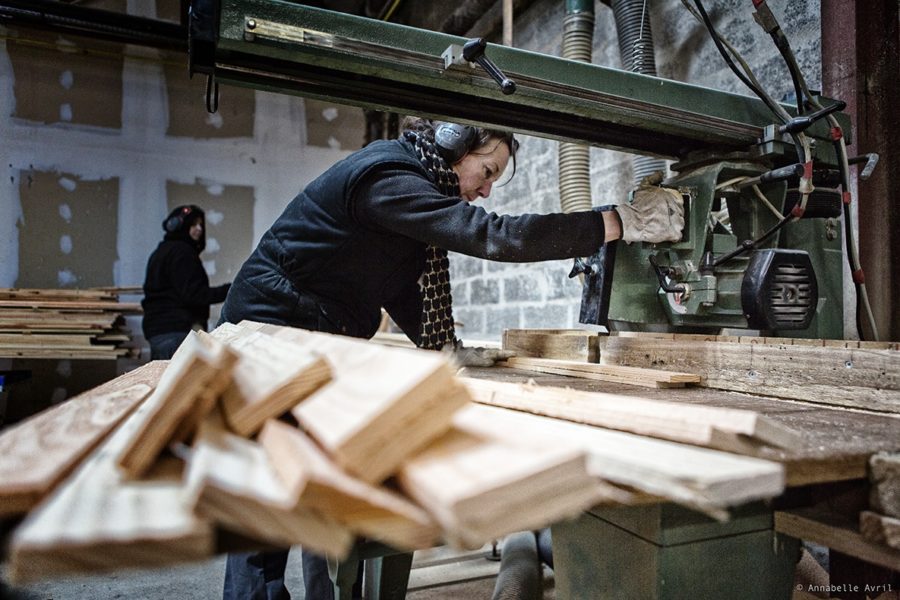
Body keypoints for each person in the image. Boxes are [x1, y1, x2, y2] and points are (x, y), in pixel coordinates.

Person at [219, 118, 684, 599]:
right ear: (453, 145)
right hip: (270, 331)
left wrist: (444, 348)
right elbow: (495, 236)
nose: (484, 191)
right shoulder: (388, 179)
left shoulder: (412, 187)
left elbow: (398, 285)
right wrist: (618, 222)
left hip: (312, 333)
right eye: (486, 171)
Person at [141, 204, 231, 360]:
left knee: (165, 383)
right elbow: (195, 295)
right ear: (181, 226)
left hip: (160, 332)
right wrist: (231, 290)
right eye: (194, 224)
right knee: (180, 383)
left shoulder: (161, 252)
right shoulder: (182, 253)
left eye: (201, 225)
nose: (199, 229)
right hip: (176, 333)